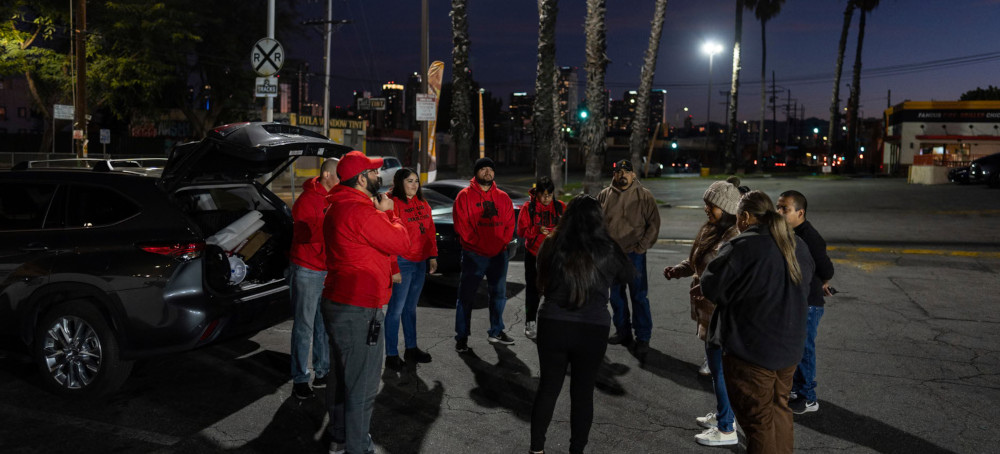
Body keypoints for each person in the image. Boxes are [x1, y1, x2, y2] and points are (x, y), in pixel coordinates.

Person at [700, 191, 815, 454]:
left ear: (745, 216)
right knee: (779, 411)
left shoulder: (743, 246)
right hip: (788, 349)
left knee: (758, 424)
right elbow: (802, 288)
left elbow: (712, 287)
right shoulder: (798, 244)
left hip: (752, 350)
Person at [529, 195, 634, 454]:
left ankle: (536, 449)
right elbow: (628, 276)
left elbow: (538, 275)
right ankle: (576, 450)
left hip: (552, 322)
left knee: (548, 388)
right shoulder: (607, 247)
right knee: (583, 392)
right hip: (592, 326)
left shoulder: (551, 243)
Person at [321, 151, 411, 454]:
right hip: (359, 306)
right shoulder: (360, 212)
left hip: (338, 300)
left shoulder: (340, 206)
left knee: (341, 377)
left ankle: (340, 437)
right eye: (373, 173)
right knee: (362, 385)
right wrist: (389, 212)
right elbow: (402, 243)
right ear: (361, 179)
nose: (379, 176)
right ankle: (357, 447)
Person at [663, 179, 742, 447]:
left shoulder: (734, 237)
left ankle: (726, 428)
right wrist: (679, 270)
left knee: (719, 371)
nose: (707, 209)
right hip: (706, 311)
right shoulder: (711, 230)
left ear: (728, 208)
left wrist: (704, 286)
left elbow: (724, 278)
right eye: (706, 204)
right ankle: (723, 414)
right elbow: (697, 261)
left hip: (721, 315)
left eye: (712, 205)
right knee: (717, 368)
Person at [777, 190, 835, 415]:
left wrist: (820, 282)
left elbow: (827, 268)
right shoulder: (788, 232)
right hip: (797, 300)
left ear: (800, 213)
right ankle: (796, 389)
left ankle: (809, 397)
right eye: (778, 207)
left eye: (785, 209)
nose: (779, 212)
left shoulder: (809, 236)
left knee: (805, 349)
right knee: (795, 347)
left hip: (809, 303)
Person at [597, 159, 661, 356]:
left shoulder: (644, 196)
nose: (622, 175)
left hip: (635, 254)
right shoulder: (605, 195)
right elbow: (596, 223)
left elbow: (654, 224)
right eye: (618, 172)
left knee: (639, 296)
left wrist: (641, 248)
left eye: (626, 171)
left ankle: (643, 336)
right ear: (614, 175)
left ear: (633, 175)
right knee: (616, 296)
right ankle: (623, 331)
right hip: (612, 255)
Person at [453, 157, 516, 352]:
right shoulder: (464, 196)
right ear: (476, 172)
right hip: (474, 255)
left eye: (490, 169)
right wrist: (479, 245)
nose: (487, 172)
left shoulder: (503, 197)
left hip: (498, 255)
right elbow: (462, 227)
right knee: (466, 297)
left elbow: (509, 225)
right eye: (483, 169)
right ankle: (462, 337)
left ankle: (496, 331)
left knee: (498, 295)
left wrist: (500, 243)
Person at [288, 158, 338, 400]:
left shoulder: (335, 198)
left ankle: (323, 371)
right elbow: (303, 234)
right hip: (308, 270)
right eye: (339, 174)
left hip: (327, 270)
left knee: (323, 326)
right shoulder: (307, 200)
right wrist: (332, 227)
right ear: (327, 175)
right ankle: (300, 378)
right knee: (304, 327)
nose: (343, 179)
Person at [383, 168, 437, 371]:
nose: (414, 185)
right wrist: (394, 267)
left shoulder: (423, 203)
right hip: (403, 262)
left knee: (410, 309)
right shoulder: (393, 204)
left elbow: (430, 230)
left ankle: (411, 348)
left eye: (416, 181)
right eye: (409, 181)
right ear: (399, 183)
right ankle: (391, 354)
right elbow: (389, 238)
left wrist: (432, 255)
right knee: (395, 310)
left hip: (420, 262)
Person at [516, 176, 565, 340]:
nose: (546, 198)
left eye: (549, 195)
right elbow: (521, 231)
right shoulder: (528, 208)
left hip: (553, 255)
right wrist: (537, 230)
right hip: (533, 254)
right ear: (536, 193)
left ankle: (552, 322)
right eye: (543, 194)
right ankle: (530, 321)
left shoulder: (560, 207)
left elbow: (568, 229)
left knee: (554, 289)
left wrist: (556, 233)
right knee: (533, 290)